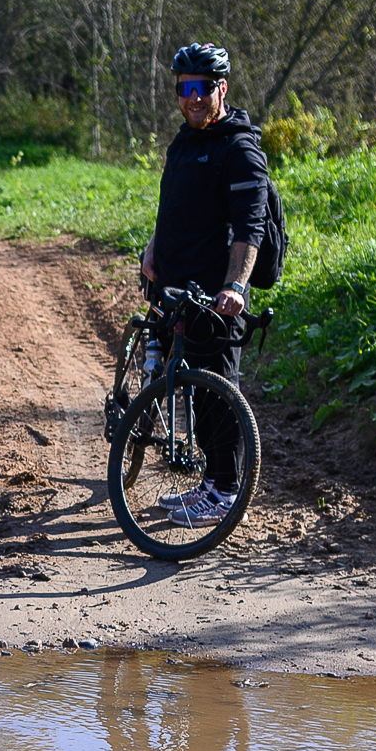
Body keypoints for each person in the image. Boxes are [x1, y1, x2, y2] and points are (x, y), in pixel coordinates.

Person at [138, 42, 269, 524]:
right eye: (184, 88)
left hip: (215, 294)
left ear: (223, 89)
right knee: (190, 385)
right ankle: (209, 484)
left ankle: (224, 491)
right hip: (172, 284)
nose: (193, 98)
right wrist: (155, 247)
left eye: (203, 88)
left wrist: (234, 286)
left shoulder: (239, 150)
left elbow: (248, 229)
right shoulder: (184, 141)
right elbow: (172, 204)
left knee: (217, 390)